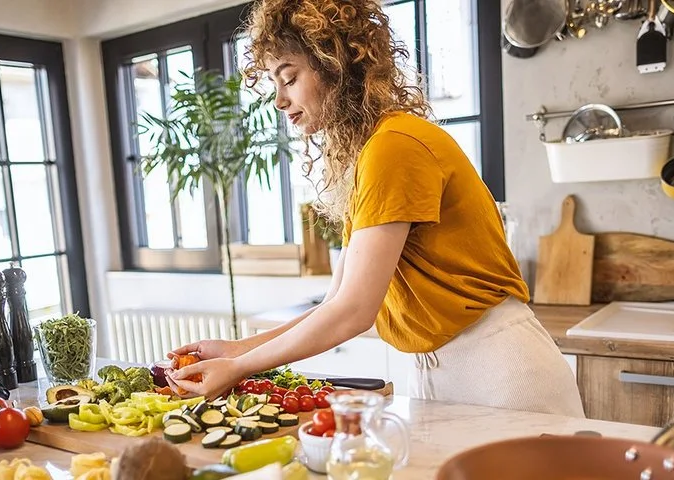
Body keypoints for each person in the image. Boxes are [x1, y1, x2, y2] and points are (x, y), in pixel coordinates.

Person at [167, 0, 584, 417]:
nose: (279, 100)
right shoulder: (372, 154)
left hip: (501, 370)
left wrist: (239, 366)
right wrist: (238, 349)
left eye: (289, 78)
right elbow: (334, 304)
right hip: (444, 369)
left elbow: (353, 313)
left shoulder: (394, 146)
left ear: (334, 64)